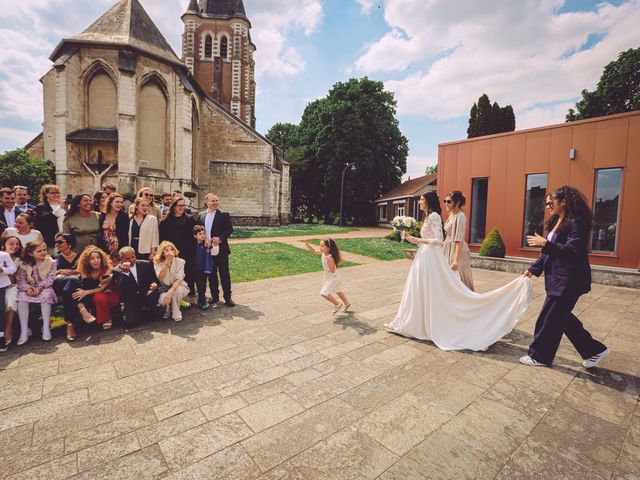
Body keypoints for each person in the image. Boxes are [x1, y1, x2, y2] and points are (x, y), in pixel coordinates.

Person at [385, 191, 532, 351]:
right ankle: (416, 321)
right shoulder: (428, 216)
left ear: (428, 201)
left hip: (431, 257)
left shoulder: (435, 216)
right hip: (425, 256)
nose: (419, 202)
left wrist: (417, 240)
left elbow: (439, 240)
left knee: (449, 289)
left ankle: (463, 318)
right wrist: (412, 239)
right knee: (421, 289)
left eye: (421, 199)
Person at [520, 186, 610, 368]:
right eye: (546, 203)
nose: (547, 206)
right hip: (558, 280)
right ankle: (594, 350)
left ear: (563, 201)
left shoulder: (577, 222)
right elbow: (548, 253)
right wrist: (533, 268)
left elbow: (573, 251)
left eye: (550, 202)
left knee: (548, 319)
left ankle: (539, 356)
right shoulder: (558, 221)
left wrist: (545, 243)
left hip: (569, 281)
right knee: (561, 318)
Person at [196, 194, 234, 307]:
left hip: (221, 250)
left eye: (217, 201)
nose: (216, 203)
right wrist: (204, 240)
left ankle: (228, 297)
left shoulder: (224, 215)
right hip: (207, 250)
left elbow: (229, 229)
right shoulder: (201, 215)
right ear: (206, 202)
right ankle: (215, 297)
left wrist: (220, 238)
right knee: (211, 275)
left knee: (224, 274)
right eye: (213, 201)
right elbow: (198, 230)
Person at [16, 240, 57, 345]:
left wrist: (40, 288)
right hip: (29, 288)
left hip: (44, 287)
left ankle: (46, 327)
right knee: (21, 299)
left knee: (46, 296)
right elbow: (21, 280)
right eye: (39, 251)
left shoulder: (51, 262)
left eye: (44, 250)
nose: (43, 252)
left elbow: (50, 278)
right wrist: (27, 289)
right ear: (31, 253)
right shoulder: (23, 264)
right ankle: (24, 330)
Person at [70, 246, 118, 333]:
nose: (96, 261)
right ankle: (83, 311)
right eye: (92, 259)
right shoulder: (85, 270)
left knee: (97, 296)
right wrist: (84, 292)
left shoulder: (108, 268)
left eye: (98, 258)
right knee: (76, 289)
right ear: (87, 261)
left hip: (110, 293)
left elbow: (102, 287)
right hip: (92, 294)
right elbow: (85, 285)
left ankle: (106, 319)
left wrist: (86, 292)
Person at [159, 197, 196, 302]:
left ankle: (191, 295)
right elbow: (162, 240)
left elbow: (195, 235)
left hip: (188, 251)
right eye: (179, 205)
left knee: (188, 273)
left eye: (183, 205)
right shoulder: (165, 222)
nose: (182, 208)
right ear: (174, 207)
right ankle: (175, 297)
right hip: (172, 253)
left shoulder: (190, 219)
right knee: (173, 274)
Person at [112, 246, 160, 326]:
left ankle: (148, 309)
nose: (131, 260)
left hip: (144, 295)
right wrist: (125, 273)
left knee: (153, 294)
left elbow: (154, 279)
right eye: (127, 259)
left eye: (133, 257)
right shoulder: (116, 270)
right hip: (130, 300)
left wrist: (154, 283)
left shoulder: (146, 264)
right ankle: (133, 312)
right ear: (121, 259)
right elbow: (121, 289)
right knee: (130, 323)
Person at [304, 238, 351, 314]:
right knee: (338, 290)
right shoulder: (324, 254)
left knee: (324, 293)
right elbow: (314, 251)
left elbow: (332, 270)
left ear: (329, 248)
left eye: (322, 246)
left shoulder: (329, 257)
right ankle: (347, 303)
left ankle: (337, 304)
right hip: (330, 276)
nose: (320, 247)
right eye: (320, 245)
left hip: (333, 277)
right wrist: (307, 245)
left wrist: (329, 262)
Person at [442, 190, 474, 291]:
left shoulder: (460, 217)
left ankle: (468, 303)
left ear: (458, 202)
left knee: (459, 279)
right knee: (448, 279)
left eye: (449, 201)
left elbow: (459, 240)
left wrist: (456, 260)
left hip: (456, 251)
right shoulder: (452, 215)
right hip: (448, 248)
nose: (446, 204)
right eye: (445, 201)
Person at [153, 241, 190, 322]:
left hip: (178, 286)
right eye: (166, 250)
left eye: (172, 249)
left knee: (177, 291)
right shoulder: (157, 262)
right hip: (164, 287)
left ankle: (176, 312)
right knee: (163, 298)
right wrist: (167, 262)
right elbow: (160, 276)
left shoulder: (181, 261)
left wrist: (171, 291)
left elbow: (179, 278)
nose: (170, 252)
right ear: (162, 253)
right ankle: (167, 310)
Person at [0, 236, 22, 346]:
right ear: (4, 244)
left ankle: (7, 330)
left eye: (17, 244)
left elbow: (16, 278)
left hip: (13, 286)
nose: (15, 246)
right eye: (11, 243)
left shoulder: (19, 260)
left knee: (11, 297)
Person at [98, 193, 129, 263]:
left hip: (118, 248)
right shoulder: (103, 215)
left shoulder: (124, 216)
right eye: (117, 202)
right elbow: (100, 232)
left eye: (121, 202)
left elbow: (125, 236)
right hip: (104, 247)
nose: (120, 204)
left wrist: (122, 251)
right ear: (111, 203)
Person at [35, 184, 65, 254]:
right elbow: (43, 221)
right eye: (52, 193)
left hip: (64, 241)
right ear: (46, 194)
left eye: (57, 193)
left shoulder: (65, 206)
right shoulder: (40, 207)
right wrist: (59, 209)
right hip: (49, 241)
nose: (56, 195)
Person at [0, 244, 17, 352]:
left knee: (0, 309)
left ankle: (1, 336)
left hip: (1, 284)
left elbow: (13, 268)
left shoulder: (4, 255)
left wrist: (2, 270)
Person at [191, 225, 212, 310]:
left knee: (202, 286)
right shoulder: (192, 245)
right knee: (199, 286)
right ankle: (202, 301)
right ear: (195, 235)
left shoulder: (206, 245)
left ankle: (201, 301)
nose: (203, 235)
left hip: (203, 269)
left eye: (204, 233)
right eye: (200, 234)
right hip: (195, 270)